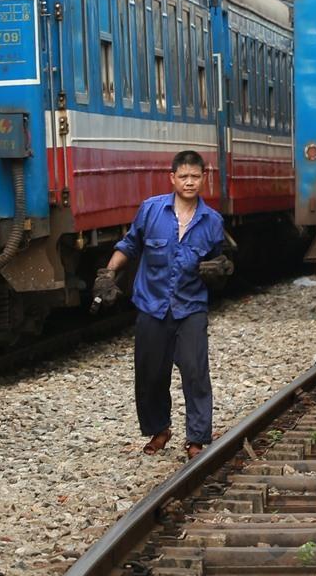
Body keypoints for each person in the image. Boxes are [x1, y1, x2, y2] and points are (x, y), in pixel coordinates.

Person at [92, 150, 234, 461]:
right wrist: (108, 273)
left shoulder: (212, 221)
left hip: (190, 307)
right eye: (183, 176)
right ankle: (160, 428)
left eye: (195, 176)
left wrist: (221, 270)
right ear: (172, 178)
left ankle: (196, 437)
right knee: (150, 374)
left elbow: (219, 263)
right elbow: (129, 244)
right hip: (152, 304)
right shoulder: (151, 210)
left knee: (196, 372)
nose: (189, 182)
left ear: (203, 179)